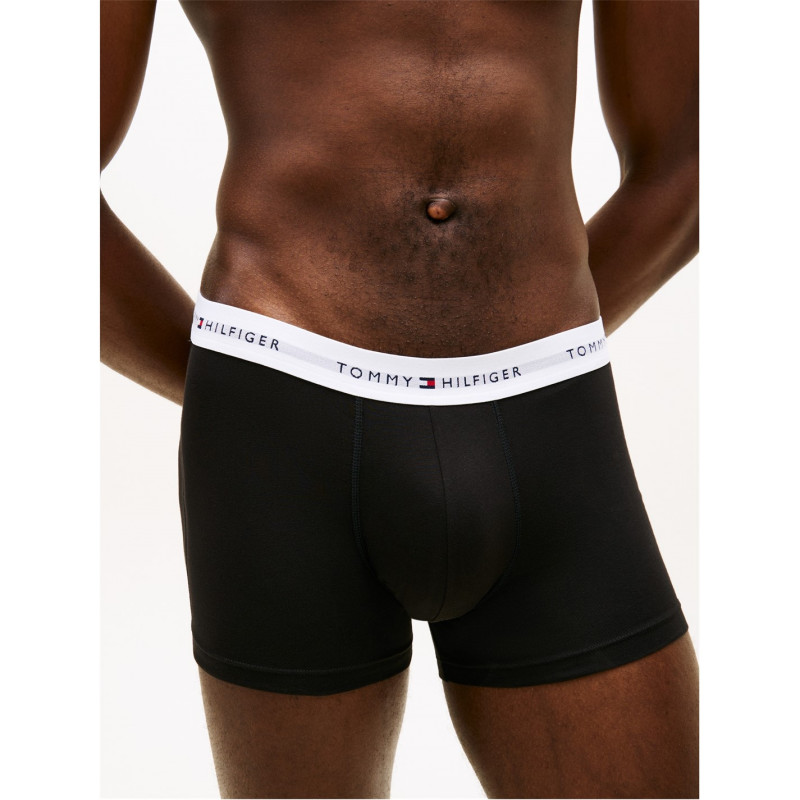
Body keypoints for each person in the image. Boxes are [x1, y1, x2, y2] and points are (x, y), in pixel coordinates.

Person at [101, 0, 699, 797]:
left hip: (548, 417)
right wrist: (240, 385)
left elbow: (689, 164)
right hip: (284, 425)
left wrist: (540, 351)